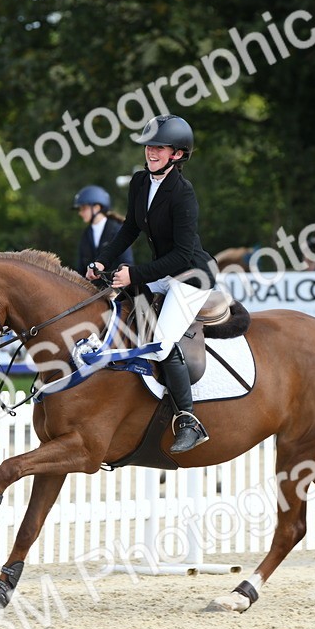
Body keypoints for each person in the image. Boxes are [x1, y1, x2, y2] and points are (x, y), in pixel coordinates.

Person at [86, 114, 217, 453]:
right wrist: (104, 260)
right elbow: (130, 228)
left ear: (177, 154)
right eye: (149, 146)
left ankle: (188, 420)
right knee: (117, 302)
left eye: (159, 147)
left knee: (162, 342)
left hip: (189, 276)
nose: (151, 152)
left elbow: (183, 255)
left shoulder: (183, 194)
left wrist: (136, 274)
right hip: (161, 272)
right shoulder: (140, 182)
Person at [71, 185, 132, 276]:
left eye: (83, 208)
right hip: (91, 288)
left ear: (97, 208)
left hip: (115, 286)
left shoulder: (117, 230)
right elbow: (81, 269)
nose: (80, 213)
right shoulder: (86, 234)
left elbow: (126, 263)